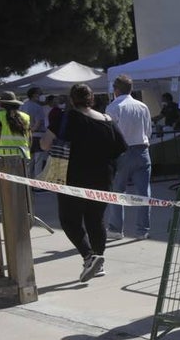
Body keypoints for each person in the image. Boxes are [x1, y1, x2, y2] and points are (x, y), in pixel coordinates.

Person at [41, 84, 127, 283]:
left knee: (70, 220)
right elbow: (121, 148)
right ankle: (99, 262)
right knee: (96, 220)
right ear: (92, 99)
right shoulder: (107, 120)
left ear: (72, 100)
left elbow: (45, 143)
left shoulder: (66, 118)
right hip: (103, 178)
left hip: (72, 178)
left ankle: (89, 257)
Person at [105, 75, 153, 240]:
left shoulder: (113, 107)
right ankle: (142, 230)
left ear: (115, 90)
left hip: (122, 152)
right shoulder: (142, 106)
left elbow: (110, 134)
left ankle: (116, 229)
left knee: (117, 191)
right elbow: (148, 131)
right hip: (142, 150)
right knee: (143, 192)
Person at [21, 86, 47, 176]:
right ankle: (37, 182)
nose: (41, 96)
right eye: (39, 94)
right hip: (37, 135)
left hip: (26, 135)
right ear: (34, 95)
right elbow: (38, 123)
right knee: (38, 160)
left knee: (29, 160)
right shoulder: (38, 107)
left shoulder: (22, 106)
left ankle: (28, 181)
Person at [0, 91, 32, 158]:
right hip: (23, 154)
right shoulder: (25, 116)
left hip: (4, 155)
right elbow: (30, 138)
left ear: (1, 104)